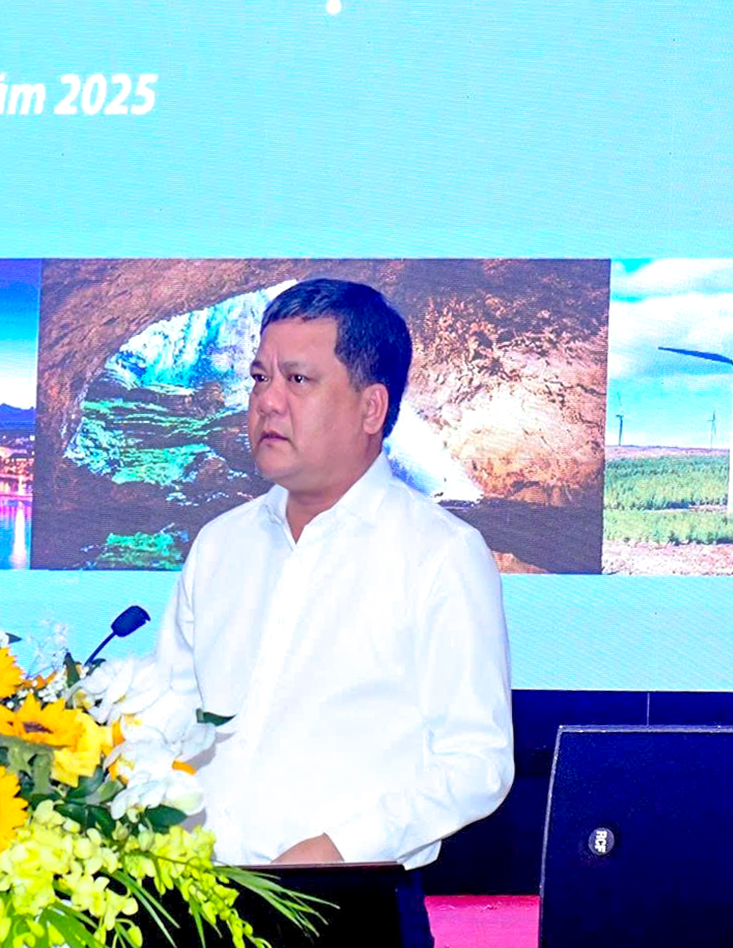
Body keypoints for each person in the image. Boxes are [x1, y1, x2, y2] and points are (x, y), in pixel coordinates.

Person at [155, 278, 514, 948]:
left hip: (348, 909)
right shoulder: (219, 544)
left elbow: (478, 762)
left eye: (298, 379)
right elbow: (167, 717)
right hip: (195, 904)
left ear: (371, 407)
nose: (268, 401)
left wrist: (341, 847)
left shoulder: (440, 554)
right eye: (260, 378)